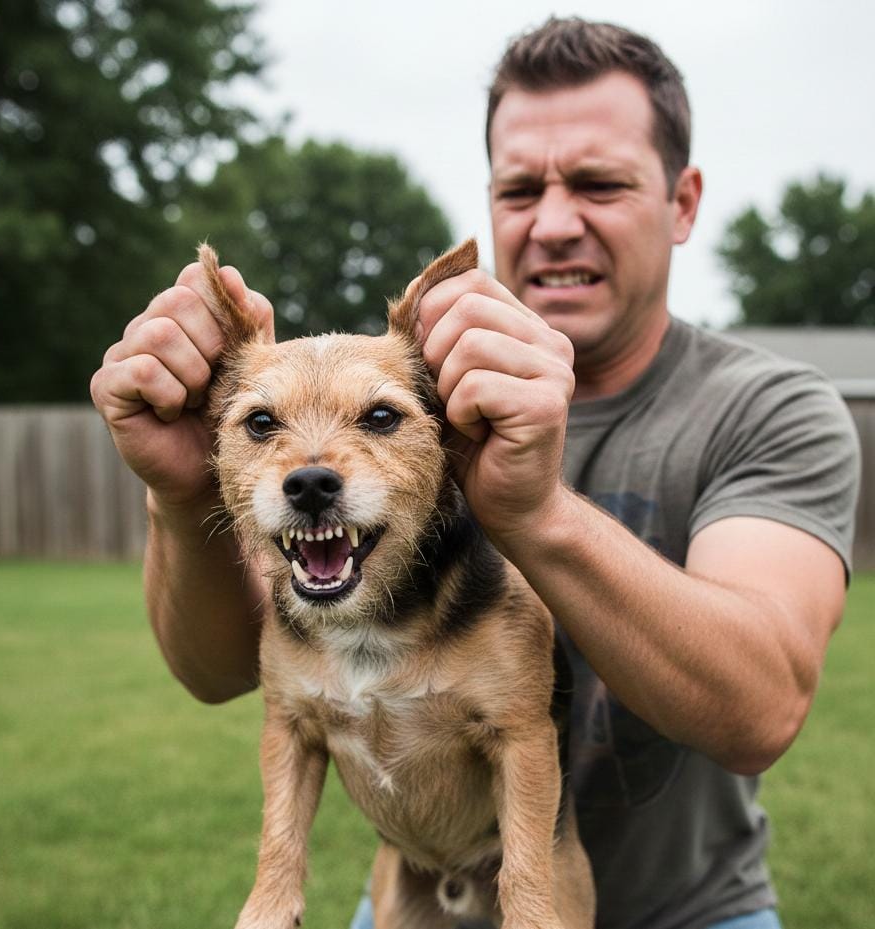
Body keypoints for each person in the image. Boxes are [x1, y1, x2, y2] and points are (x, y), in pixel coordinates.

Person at [90, 16, 860, 929]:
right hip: (413, 890)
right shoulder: (386, 410)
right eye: (521, 186)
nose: (556, 220)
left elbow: (760, 711)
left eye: (601, 183)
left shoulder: (772, 407)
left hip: (691, 911)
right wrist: (181, 492)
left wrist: (533, 512)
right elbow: (220, 675)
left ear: (684, 201)